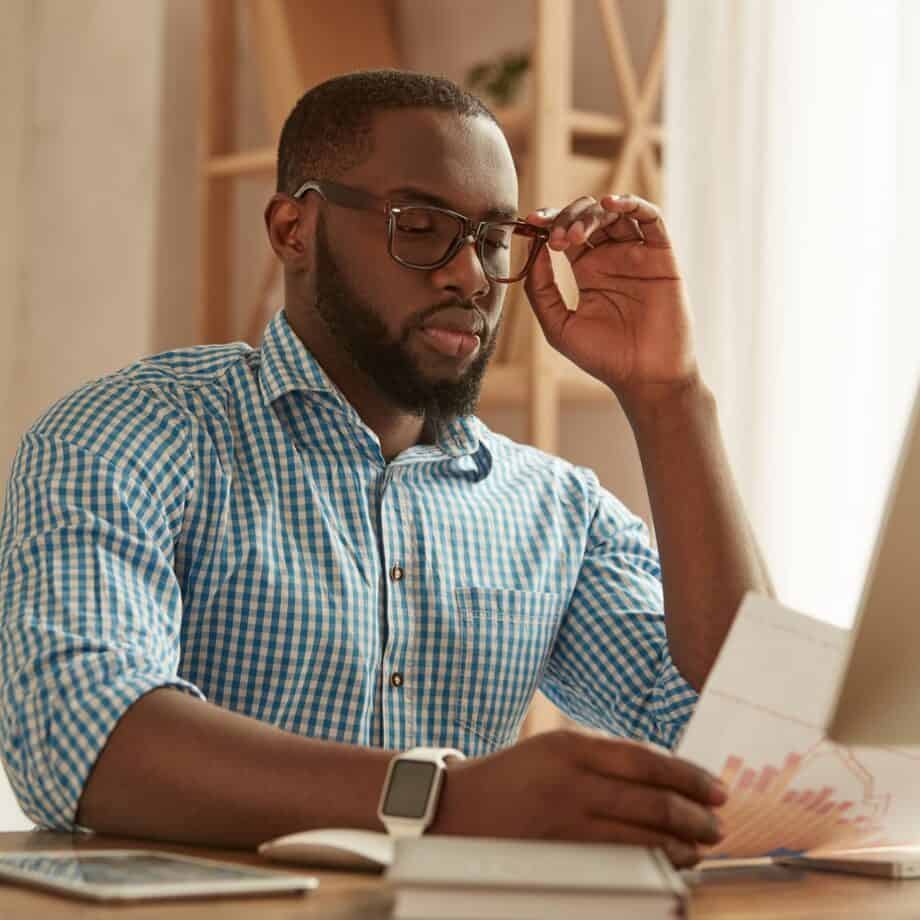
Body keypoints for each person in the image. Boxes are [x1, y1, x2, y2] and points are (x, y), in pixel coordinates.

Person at [0, 69, 772, 867]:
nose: (471, 276)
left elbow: (753, 740)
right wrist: (445, 800)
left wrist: (670, 396)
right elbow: (74, 728)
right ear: (293, 229)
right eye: (421, 225)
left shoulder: (559, 512)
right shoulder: (128, 436)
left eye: (492, 237)